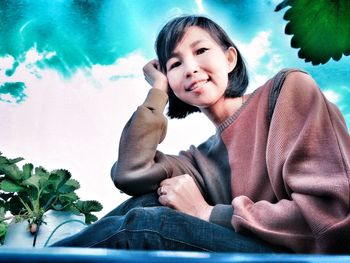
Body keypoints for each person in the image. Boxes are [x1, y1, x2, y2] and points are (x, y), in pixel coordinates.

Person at [53, 15, 350, 253]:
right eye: (175, 64)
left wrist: (206, 212)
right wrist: (157, 90)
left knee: (145, 225)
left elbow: (330, 218)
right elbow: (130, 173)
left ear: (230, 59)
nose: (191, 69)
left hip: (304, 256)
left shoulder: (287, 90)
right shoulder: (199, 160)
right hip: (247, 250)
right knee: (146, 202)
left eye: (201, 51)